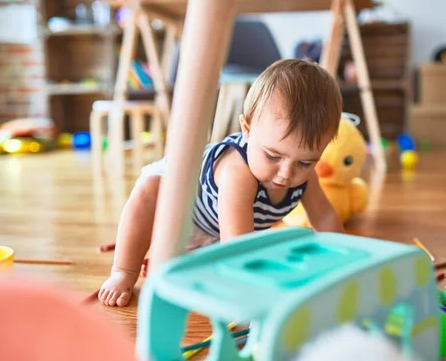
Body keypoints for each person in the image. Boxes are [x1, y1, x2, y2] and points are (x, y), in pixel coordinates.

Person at [99, 59, 346, 307]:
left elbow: (325, 219)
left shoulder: (305, 177)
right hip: (178, 206)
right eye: (273, 156)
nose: (286, 172)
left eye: (304, 163)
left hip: (216, 230)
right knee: (149, 191)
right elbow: (237, 248)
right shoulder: (237, 173)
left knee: (199, 273)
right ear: (247, 129)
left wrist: (344, 265)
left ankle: (175, 258)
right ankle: (123, 271)